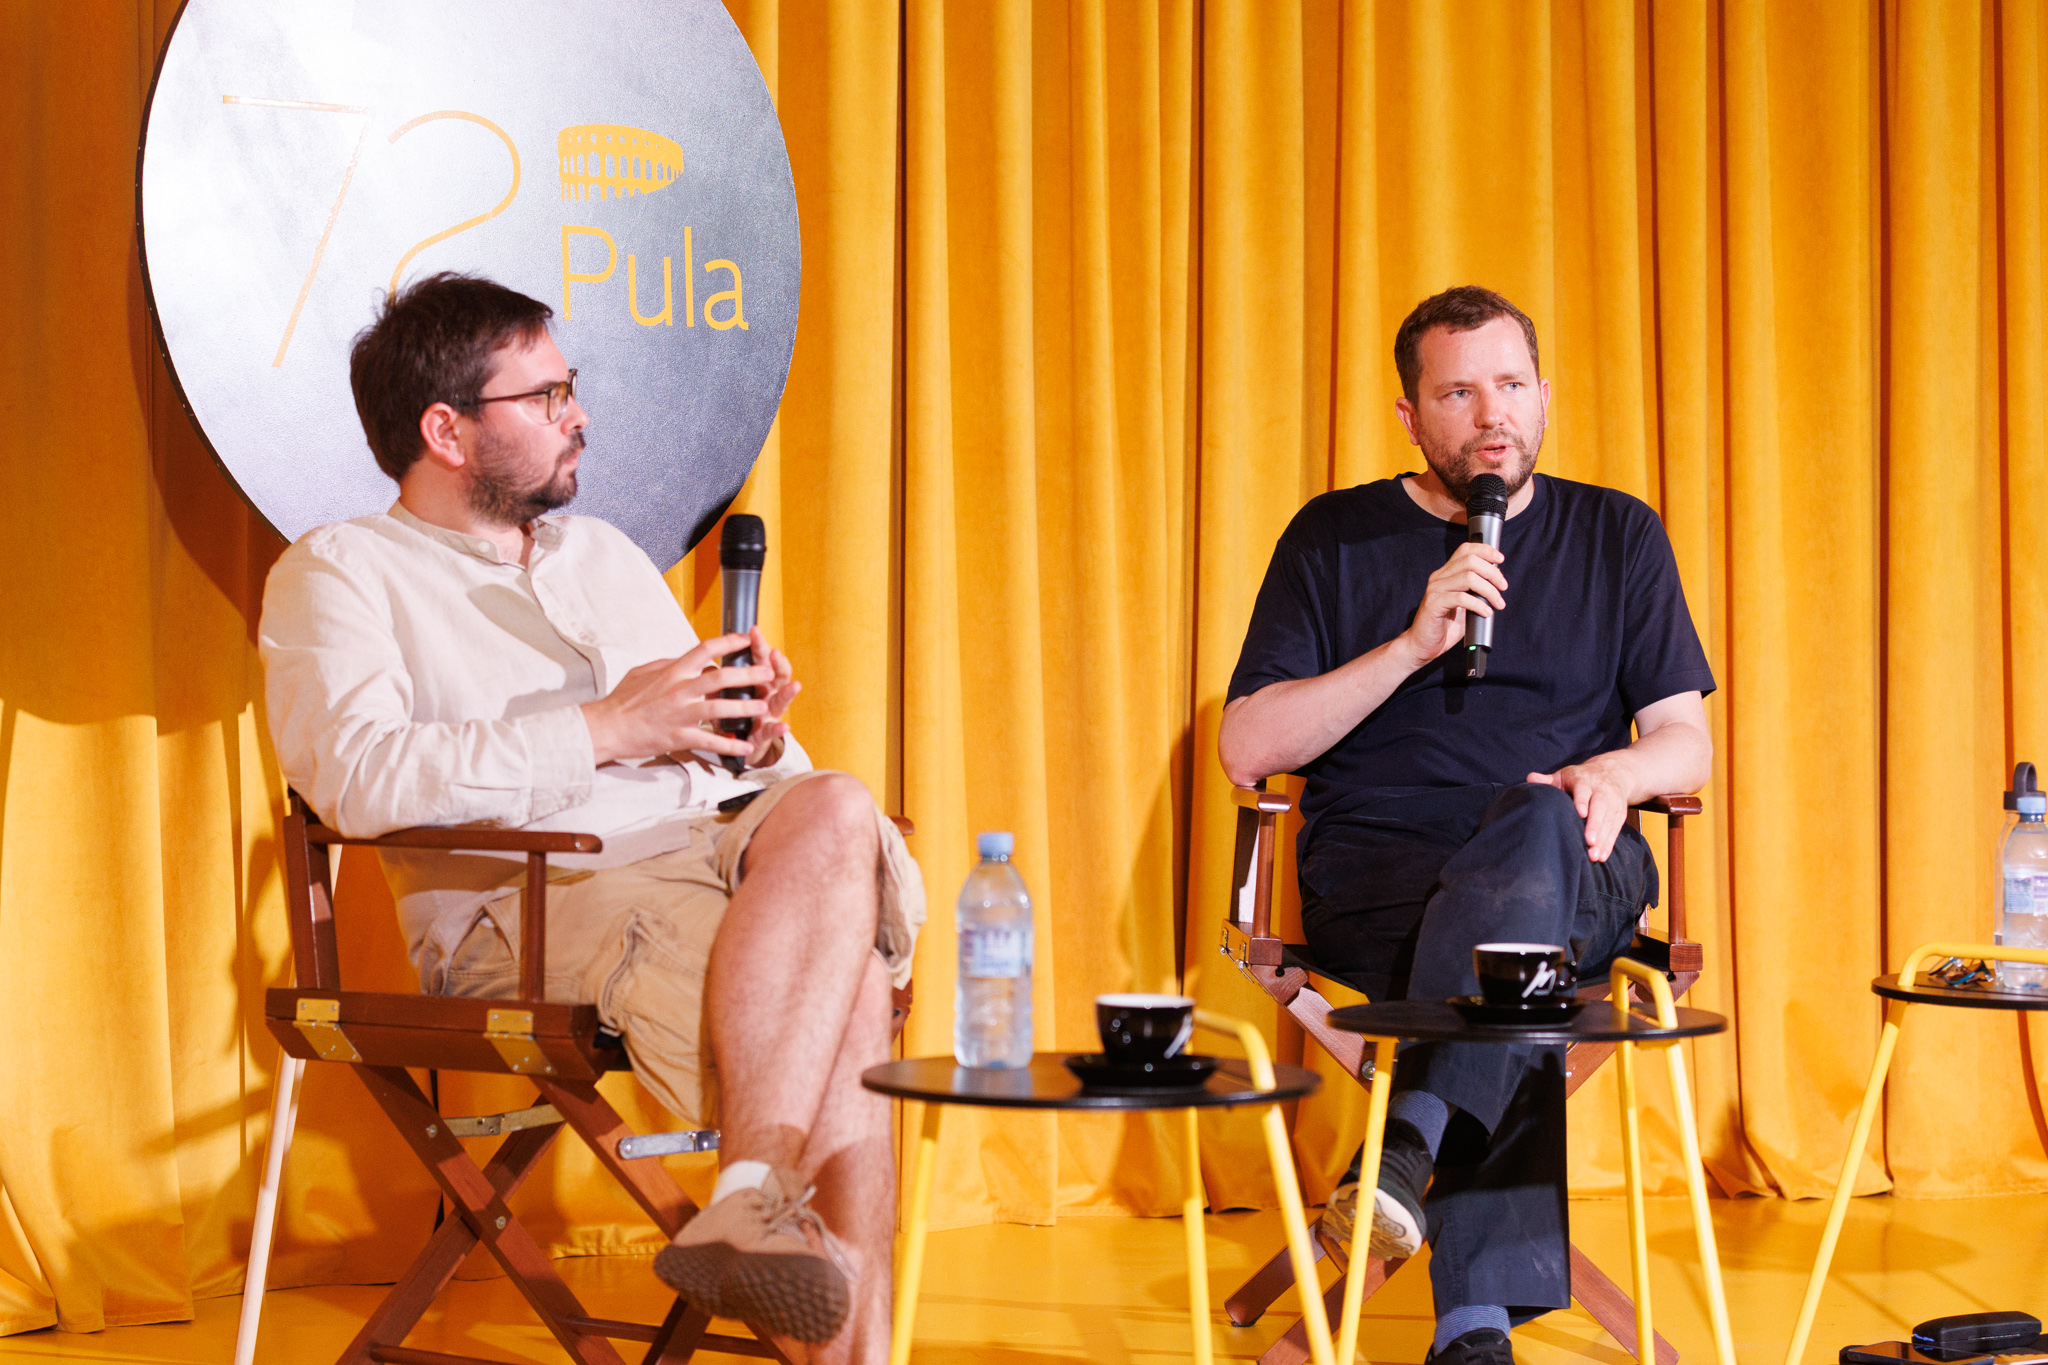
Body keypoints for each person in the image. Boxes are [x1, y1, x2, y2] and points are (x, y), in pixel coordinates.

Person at [259, 272, 922, 1363]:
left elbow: (730, 767)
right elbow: (362, 779)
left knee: (836, 799)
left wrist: (749, 737)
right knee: (843, 987)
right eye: (547, 395)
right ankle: (810, 1284)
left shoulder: (605, 554)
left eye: (572, 387)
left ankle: (749, 1194)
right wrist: (607, 727)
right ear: (446, 430)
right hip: (535, 900)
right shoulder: (339, 573)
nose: (580, 416)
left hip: (718, 849)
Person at [1217, 286, 1714, 1365]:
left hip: (1574, 860)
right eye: (1457, 393)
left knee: (1534, 824)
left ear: (1545, 394)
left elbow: (1686, 739)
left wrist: (1612, 771)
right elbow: (1246, 747)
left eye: (1510, 385)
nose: (1492, 415)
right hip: (1384, 877)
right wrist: (1408, 645)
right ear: (1409, 414)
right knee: (1513, 981)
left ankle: (1402, 1151)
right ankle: (1471, 1325)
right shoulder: (1333, 535)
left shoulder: (1617, 533)